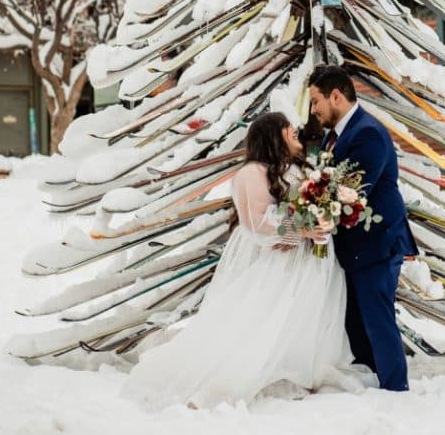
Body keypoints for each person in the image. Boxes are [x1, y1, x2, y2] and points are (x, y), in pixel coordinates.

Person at [124, 111, 363, 410]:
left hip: (306, 259)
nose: (296, 133)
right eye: (289, 130)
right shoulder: (252, 173)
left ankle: (298, 368)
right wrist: (300, 228)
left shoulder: (296, 168)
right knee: (264, 316)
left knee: (300, 314)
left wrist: (322, 220)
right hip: (276, 258)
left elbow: (305, 204)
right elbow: (256, 222)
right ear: (274, 136)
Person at [308, 64, 417, 393]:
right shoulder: (335, 134)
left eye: (316, 102)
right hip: (354, 247)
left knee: (377, 320)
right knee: (357, 323)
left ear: (336, 96)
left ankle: (395, 390)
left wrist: (304, 213)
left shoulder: (366, 133)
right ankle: (374, 384)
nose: (313, 110)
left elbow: (351, 191)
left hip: (376, 243)